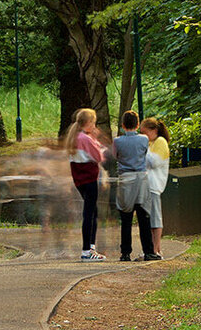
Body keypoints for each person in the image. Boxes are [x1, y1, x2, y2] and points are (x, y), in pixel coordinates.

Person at [112, 110, 158, 261]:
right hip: (141, 180)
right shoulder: (144, 139)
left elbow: (115, 156)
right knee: (144, 216)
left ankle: (125, 253)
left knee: (126, 218)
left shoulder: (117, 141)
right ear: (138, 124)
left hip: (125, 179)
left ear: (123, 125)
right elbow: (146, 154)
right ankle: (149, 251)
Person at [65, 108, 107, 261]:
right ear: (88, 122)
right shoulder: (85, 138)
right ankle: (87, 250)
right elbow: (99, 156)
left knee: (92, 212)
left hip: (79, 179)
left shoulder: (74, 137)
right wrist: (96, 140)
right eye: (93, 123)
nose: (94, 126)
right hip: (89, 178)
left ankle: (91, 248)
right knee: (90, 214)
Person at [140, 117, 170, 256]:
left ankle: (156, 249)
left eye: (145, 133)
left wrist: (142, 150)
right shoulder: (151, 143)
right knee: (149, 218)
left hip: (154, 185)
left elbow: (154, 162)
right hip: (146, 185)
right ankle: (152, 248)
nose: (143, 136)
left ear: (154, 130)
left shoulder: (160, 142)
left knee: (155, 218)